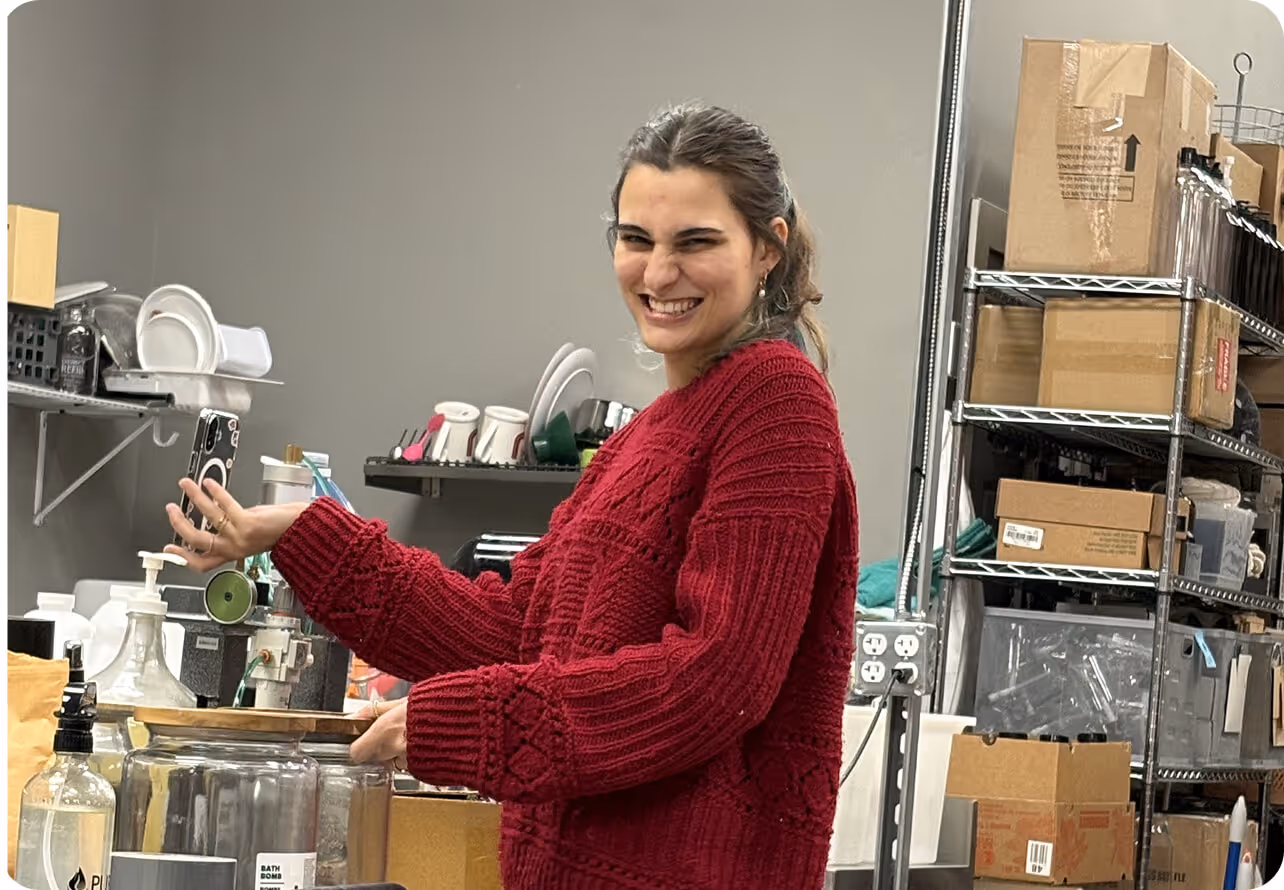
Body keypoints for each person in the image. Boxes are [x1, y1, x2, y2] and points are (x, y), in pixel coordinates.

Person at [166, 102, 859, 890]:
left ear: (768, 247)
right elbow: (513, 630)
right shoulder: (643, 437)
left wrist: (464, 723)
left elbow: (714, 681)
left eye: (695, 242)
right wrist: (301, 532)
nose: (659, 273)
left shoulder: (777, 401)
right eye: (636, 240)